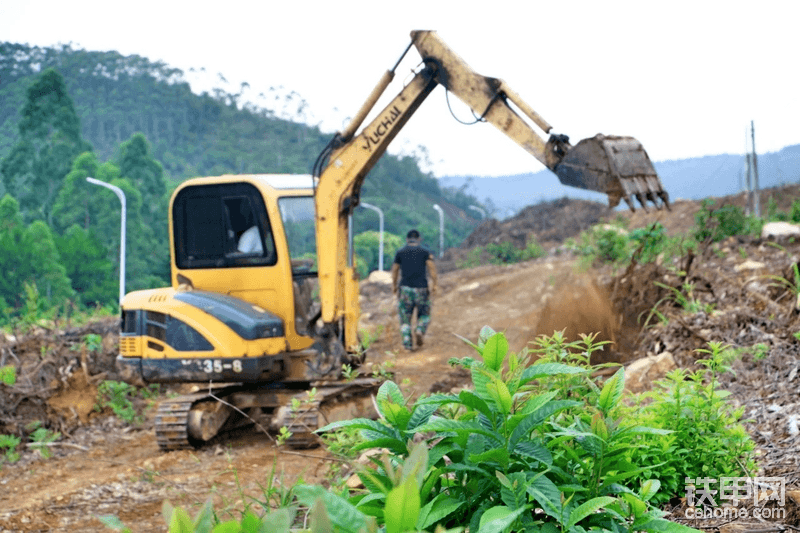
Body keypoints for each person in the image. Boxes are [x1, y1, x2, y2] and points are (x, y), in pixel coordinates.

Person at [391, 229, 439, 351]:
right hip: (421, 289)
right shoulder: (424, 252)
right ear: (419, 239)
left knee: (405, 319)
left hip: (405, 289)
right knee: (424, 314)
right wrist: (434, 284)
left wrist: (394, 285)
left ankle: (407, 345)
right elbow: (432, 268)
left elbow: (395, 270)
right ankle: (420, 330)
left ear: (407, 239)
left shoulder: (400, 252)